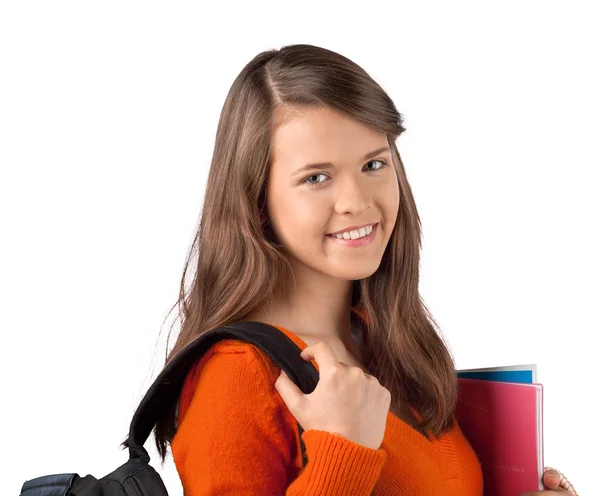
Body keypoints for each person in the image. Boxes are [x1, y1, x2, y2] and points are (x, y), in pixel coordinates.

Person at [150, 44, 576, 495]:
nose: (357, 201)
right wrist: (342, 452)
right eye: (316, 177)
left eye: (373, 164)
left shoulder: (389, 341)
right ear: (255, 201)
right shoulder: (235, 377)